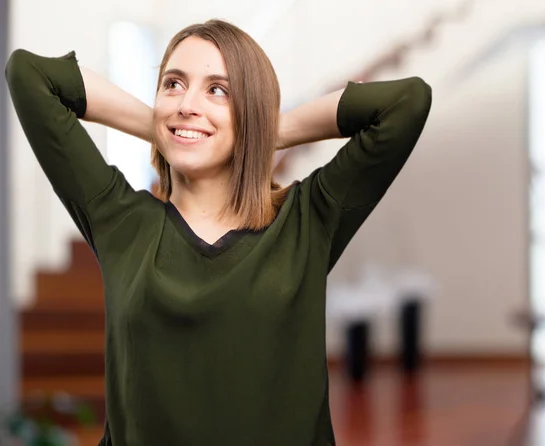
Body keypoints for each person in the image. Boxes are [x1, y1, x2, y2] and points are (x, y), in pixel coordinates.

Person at [5, 18, 432, 446]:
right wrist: (162, 126)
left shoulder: (307, 221)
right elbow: (30, 74)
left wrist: (268, 131)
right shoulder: (120, 220)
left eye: (217, 90)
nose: (187, 103)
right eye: (173, 84)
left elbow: (406, 103)